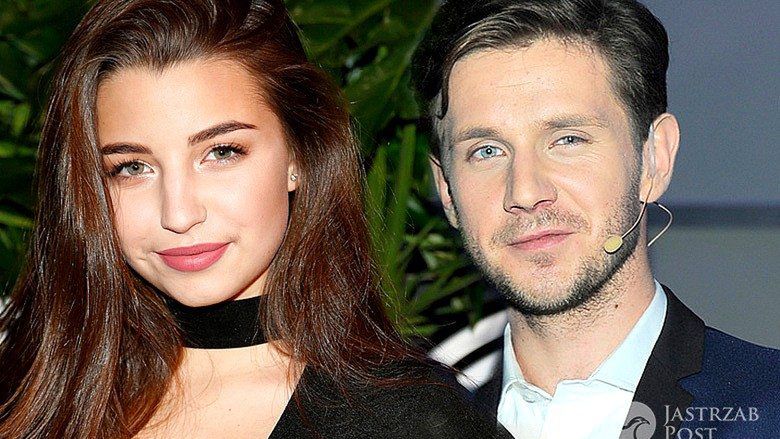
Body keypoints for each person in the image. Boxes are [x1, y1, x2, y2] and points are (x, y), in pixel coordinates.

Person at [0, 1, 511, 438]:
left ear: (298, 156)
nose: (179, 214)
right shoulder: (31, 395)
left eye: (221, 152)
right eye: (132, 167)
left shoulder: (411, 420)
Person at [411, 0, 780, 438]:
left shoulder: (767, 411)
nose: (525, 192)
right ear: (447, 189)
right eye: (487, 151)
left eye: (568, 139)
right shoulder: (415, 427)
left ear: (654, 159)